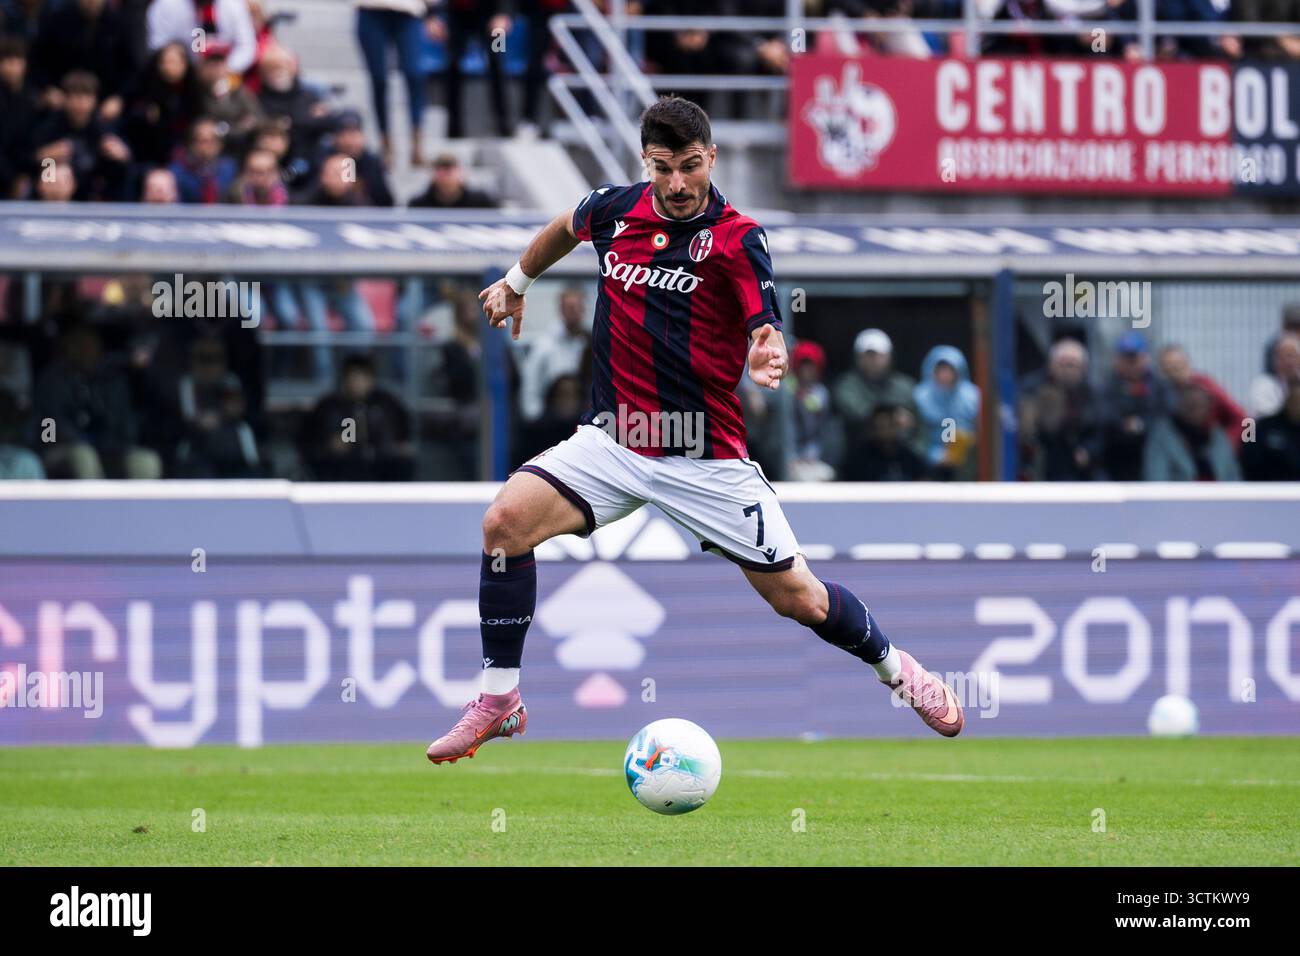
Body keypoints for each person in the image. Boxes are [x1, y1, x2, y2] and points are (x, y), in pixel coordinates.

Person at [424, 97, 964, 765]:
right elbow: (566, 225)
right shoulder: (615, 209)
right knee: (504, 523)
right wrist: (517, 279)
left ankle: (897, 671)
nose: (677, 185)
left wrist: (767, 347)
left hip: (703, 456)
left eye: (688, 167)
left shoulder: (738, 238)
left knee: (799, 597)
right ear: (645, 163)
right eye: (662, 169)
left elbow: (763, 317)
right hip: (614, 441)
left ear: (710, 157)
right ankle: (500, 700)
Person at [1143, 383, 1241, 482]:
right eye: (1190, 406)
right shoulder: (1162, 436)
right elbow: (1157, 479)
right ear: (1179, 406)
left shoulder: (1218, 436)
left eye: (1200, 406)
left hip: (1220, 495)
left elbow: (1233, 477)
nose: (1194, 411)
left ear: (1208, 408)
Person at [517, 285, 588, 422]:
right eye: (570, 307)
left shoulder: (589, 343)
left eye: (579, 307)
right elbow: (530, 386)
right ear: (561, 310)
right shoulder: (544, 345)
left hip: (582, 422)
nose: (575, 312)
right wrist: (537, 421)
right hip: (550, 424)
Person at [914, 345, 980, 480]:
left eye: (949, 369)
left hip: (967, 464)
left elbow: (982, 432)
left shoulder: (973, 396)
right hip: (929, 466)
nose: (945, 374)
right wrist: (934, 456)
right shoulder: (919, 397)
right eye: (940, 369)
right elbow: (915, 436)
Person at [407, 152, 497, 208]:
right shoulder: (418, 204)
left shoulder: (481, 202)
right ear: (433, 175)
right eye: (441, 169)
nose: (446, 175)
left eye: (450, 169)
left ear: (460, 173)